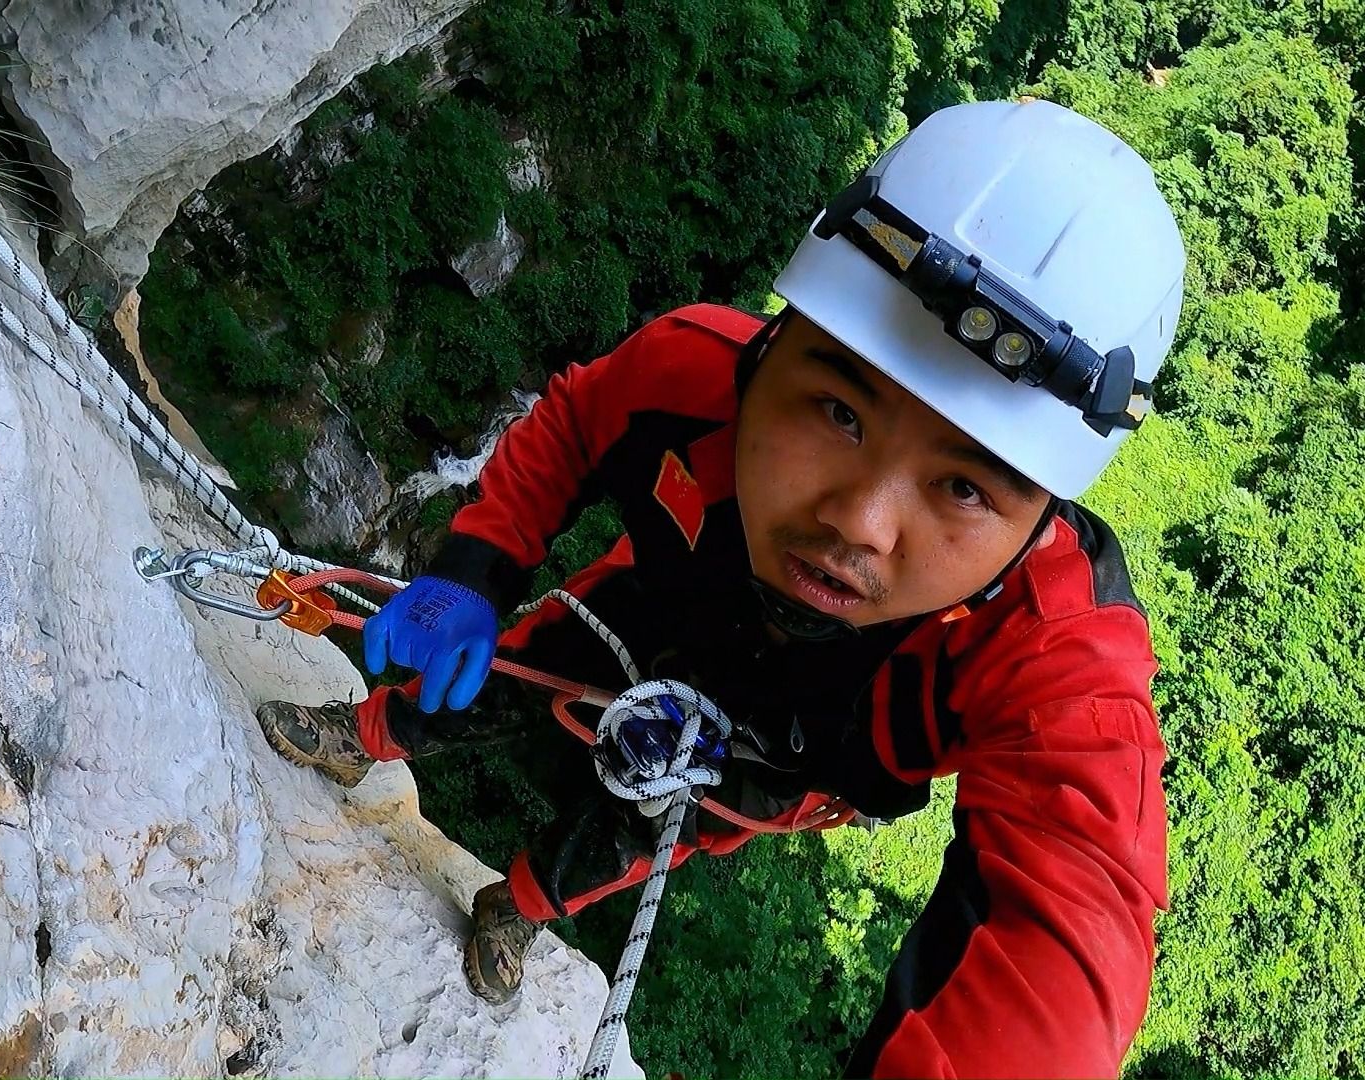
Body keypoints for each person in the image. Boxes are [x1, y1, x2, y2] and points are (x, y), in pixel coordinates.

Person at [257, 98, 1183, 1077]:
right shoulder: (693, 368)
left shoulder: (1047, 643)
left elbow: (1072, 914)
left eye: (961, 486)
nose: (860, 523)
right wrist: (477, 567)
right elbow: (576, 423)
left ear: (1040, 513)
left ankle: (513, 909)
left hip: (777, 758)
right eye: (839, 410)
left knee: (634, 829)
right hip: (648, 614)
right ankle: (358, 738)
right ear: (779, 344)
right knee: (508, 667)